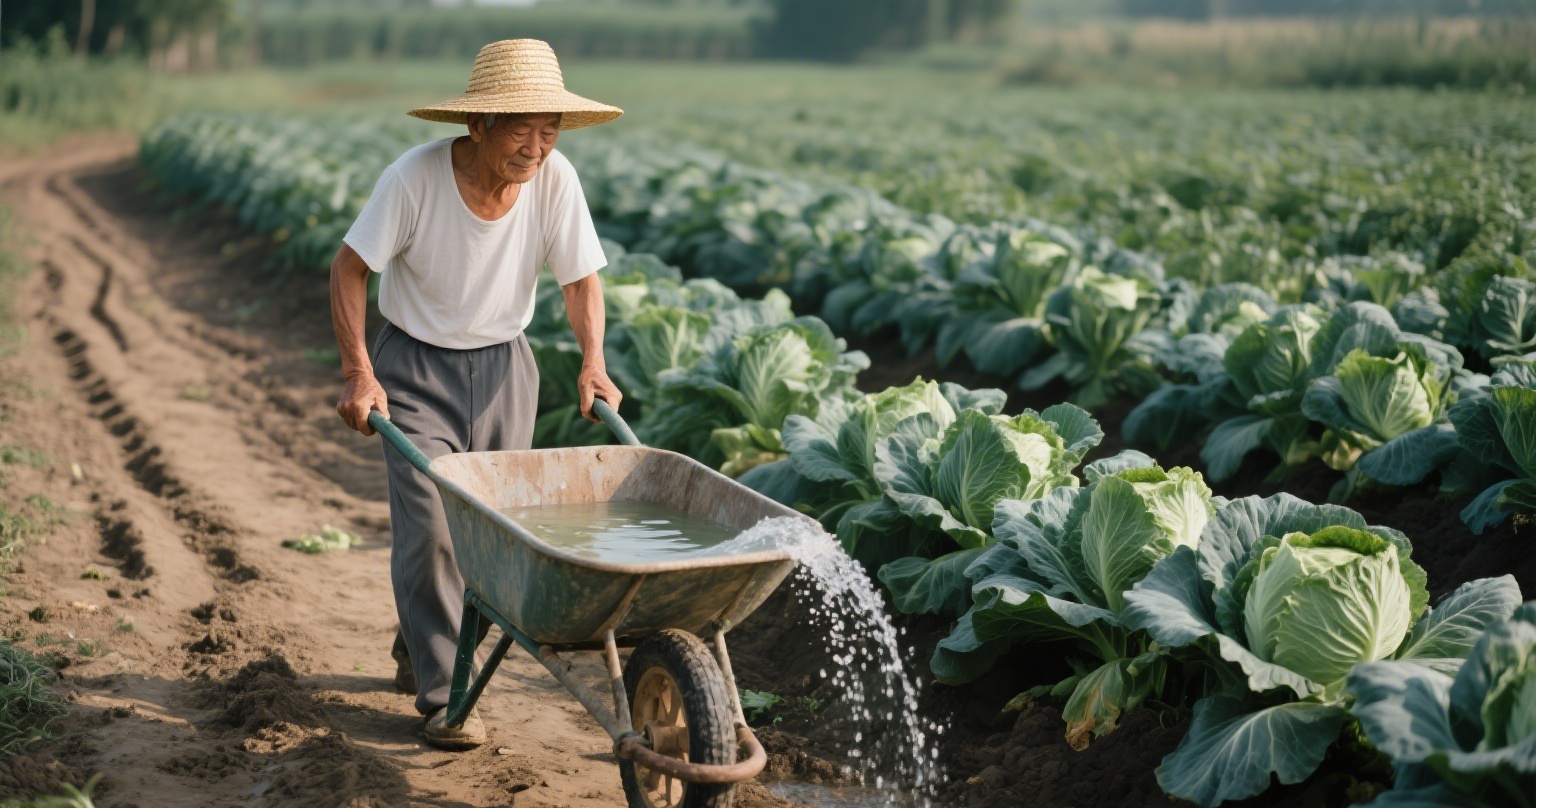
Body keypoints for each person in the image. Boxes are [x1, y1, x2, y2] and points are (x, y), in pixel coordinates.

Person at [328, 39, 624, 751]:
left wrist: (593, 360)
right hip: (414, 369)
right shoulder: (414, 180)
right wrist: (359, 372)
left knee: (488, 537)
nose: (536, 145)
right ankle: (444, 695)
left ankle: (419, 642)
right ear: (477, 126)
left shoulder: (556, 182)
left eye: (548, 128)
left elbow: (581, 280)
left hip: (504, 369)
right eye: (519, 128)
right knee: (431, 524)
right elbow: (348, 269)